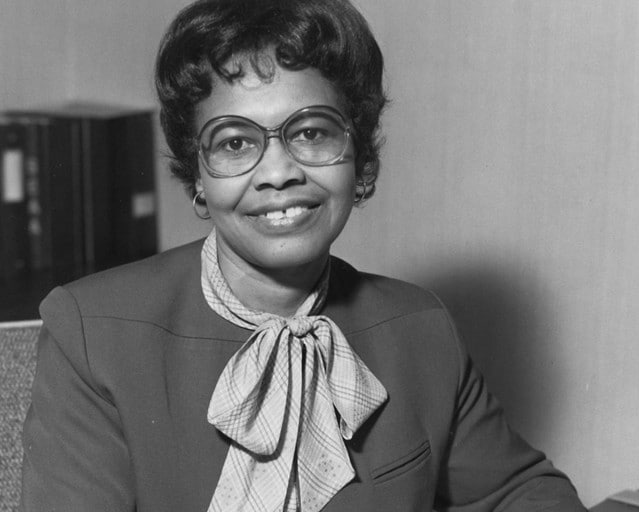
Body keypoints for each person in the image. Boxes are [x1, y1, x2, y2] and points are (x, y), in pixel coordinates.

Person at [21, 0, 586, 510]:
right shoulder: (92, 334)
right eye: (235, 142)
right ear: (197, 177)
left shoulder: (422, 328)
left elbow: (520, 491)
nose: (278, 173)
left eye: (312, 133)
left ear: (359, 160)